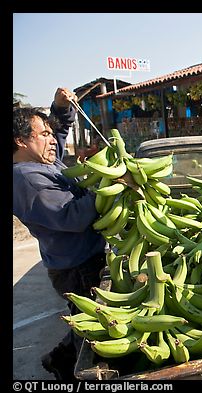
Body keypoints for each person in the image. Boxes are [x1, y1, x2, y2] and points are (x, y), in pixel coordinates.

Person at [13, 87, 107, 380]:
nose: (52, 139)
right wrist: (109, 187)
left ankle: (57, 359)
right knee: (93, 325)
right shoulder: (25, 180)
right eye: (43, 134)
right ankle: (71, 373)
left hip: (79, 257)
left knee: (85, 319)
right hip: (76, 266)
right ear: (20, 141)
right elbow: (71, 217)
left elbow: (60, 135)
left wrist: (60, 107)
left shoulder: (41, 162)